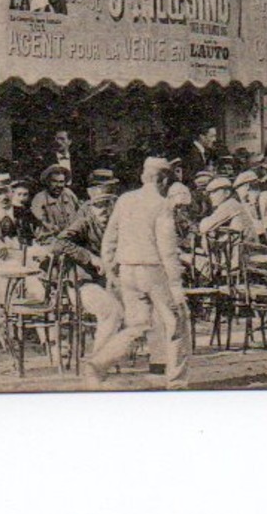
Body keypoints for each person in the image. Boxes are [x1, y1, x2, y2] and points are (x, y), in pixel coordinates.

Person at [84, 157, 189, 388]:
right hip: (154, 271)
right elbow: (167, 249)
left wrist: (112, 270)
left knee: (137, 326)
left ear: (144, 177)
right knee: (177, 322)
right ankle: (178, 382)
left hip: (127, 271)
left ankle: (99, 362)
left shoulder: (124, 200)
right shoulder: (162, 205)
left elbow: (109, 239)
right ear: (163, 179)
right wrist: (175, 284)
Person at [50, 179, 123, 356]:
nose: (104, 210)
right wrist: (91, 258)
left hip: (112, 282)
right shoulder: (84, 224)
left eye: (108, 204)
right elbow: (58, 243)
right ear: (91, 208)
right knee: (111, 311)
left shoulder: (117, 225)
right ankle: (100, 358)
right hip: (83, 284)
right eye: (98, 206)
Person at [197, 174, 262, 241]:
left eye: (214, 192)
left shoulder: (230, 204)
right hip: (244, 246)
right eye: (209, 193)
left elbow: (204, 227)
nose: (211, 196)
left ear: (227, 193)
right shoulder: (232, 204)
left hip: (243, 247)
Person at [30, 164, 79, 238]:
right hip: (50, 239)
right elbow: (42, 222)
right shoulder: (39, 198)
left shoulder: (69, 194)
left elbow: (79, 213)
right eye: (54, 181)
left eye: (61, 182)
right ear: (47, 182)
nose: (58, 185)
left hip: (73, 236)